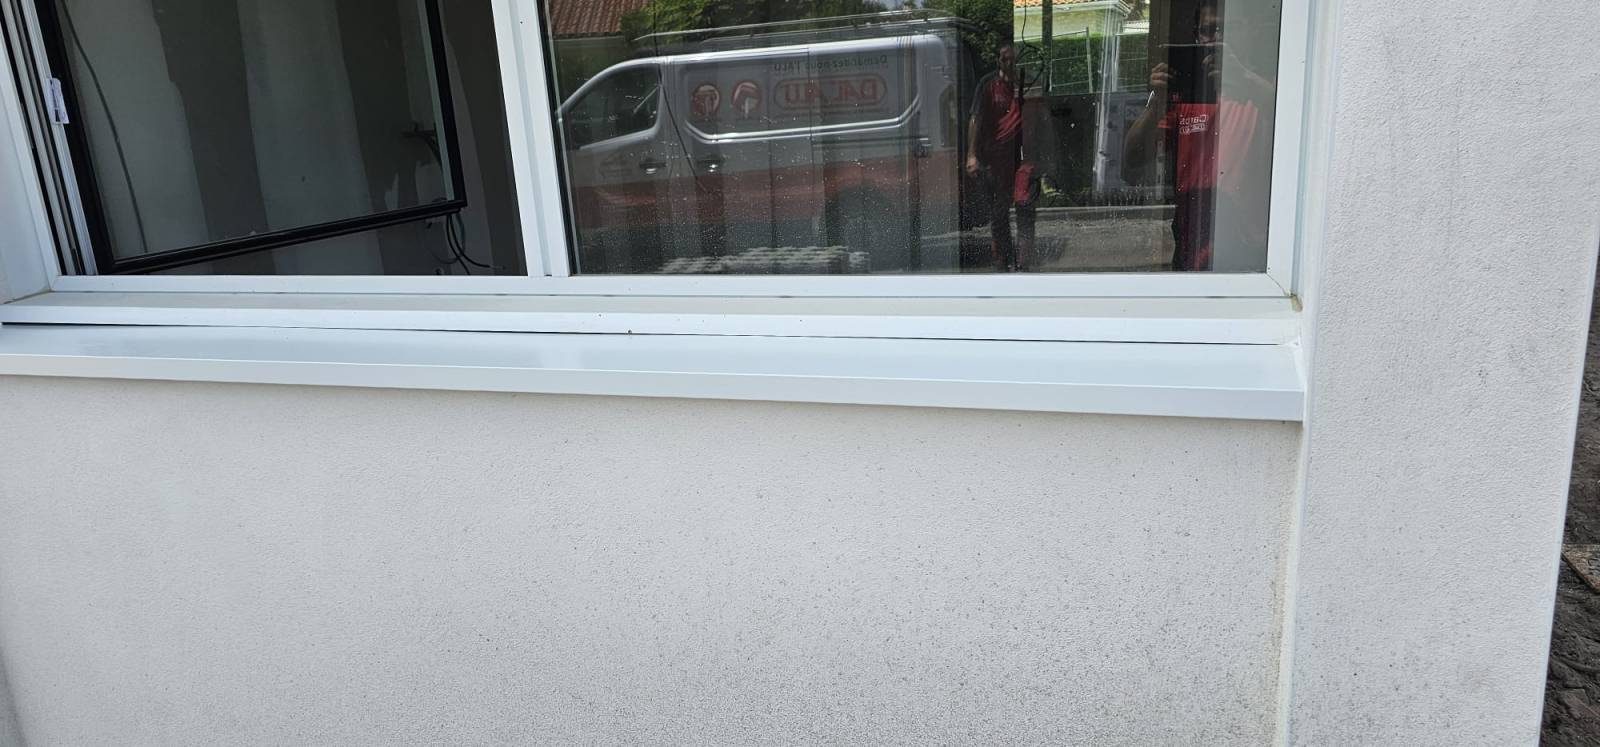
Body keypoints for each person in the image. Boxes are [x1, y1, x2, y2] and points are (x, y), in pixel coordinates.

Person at [1122, 0, 1276, 271]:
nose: (1216, 38)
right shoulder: (1184, 98)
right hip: (1192, 245)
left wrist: (1243, 79)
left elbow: (1292, 125)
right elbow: (1132, 159)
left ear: (1250, 32)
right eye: (1207, 30)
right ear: (1197, 37)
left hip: (1253, 251)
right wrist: (1157, 104)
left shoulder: (1267, 91)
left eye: (1228, 29)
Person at [966, 44, 1037, 273]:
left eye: (1013, 60)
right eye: (1005, 59)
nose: (1009, 64)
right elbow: (976, 118)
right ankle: (1003, 262)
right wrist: (972, 155)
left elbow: (1038, 117)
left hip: (1022, 158)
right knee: (999, 213)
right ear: (999, 61)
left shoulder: (1026, 85)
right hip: (995, 159)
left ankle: (1024, 262)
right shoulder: (988, 85)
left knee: (1025, 207)